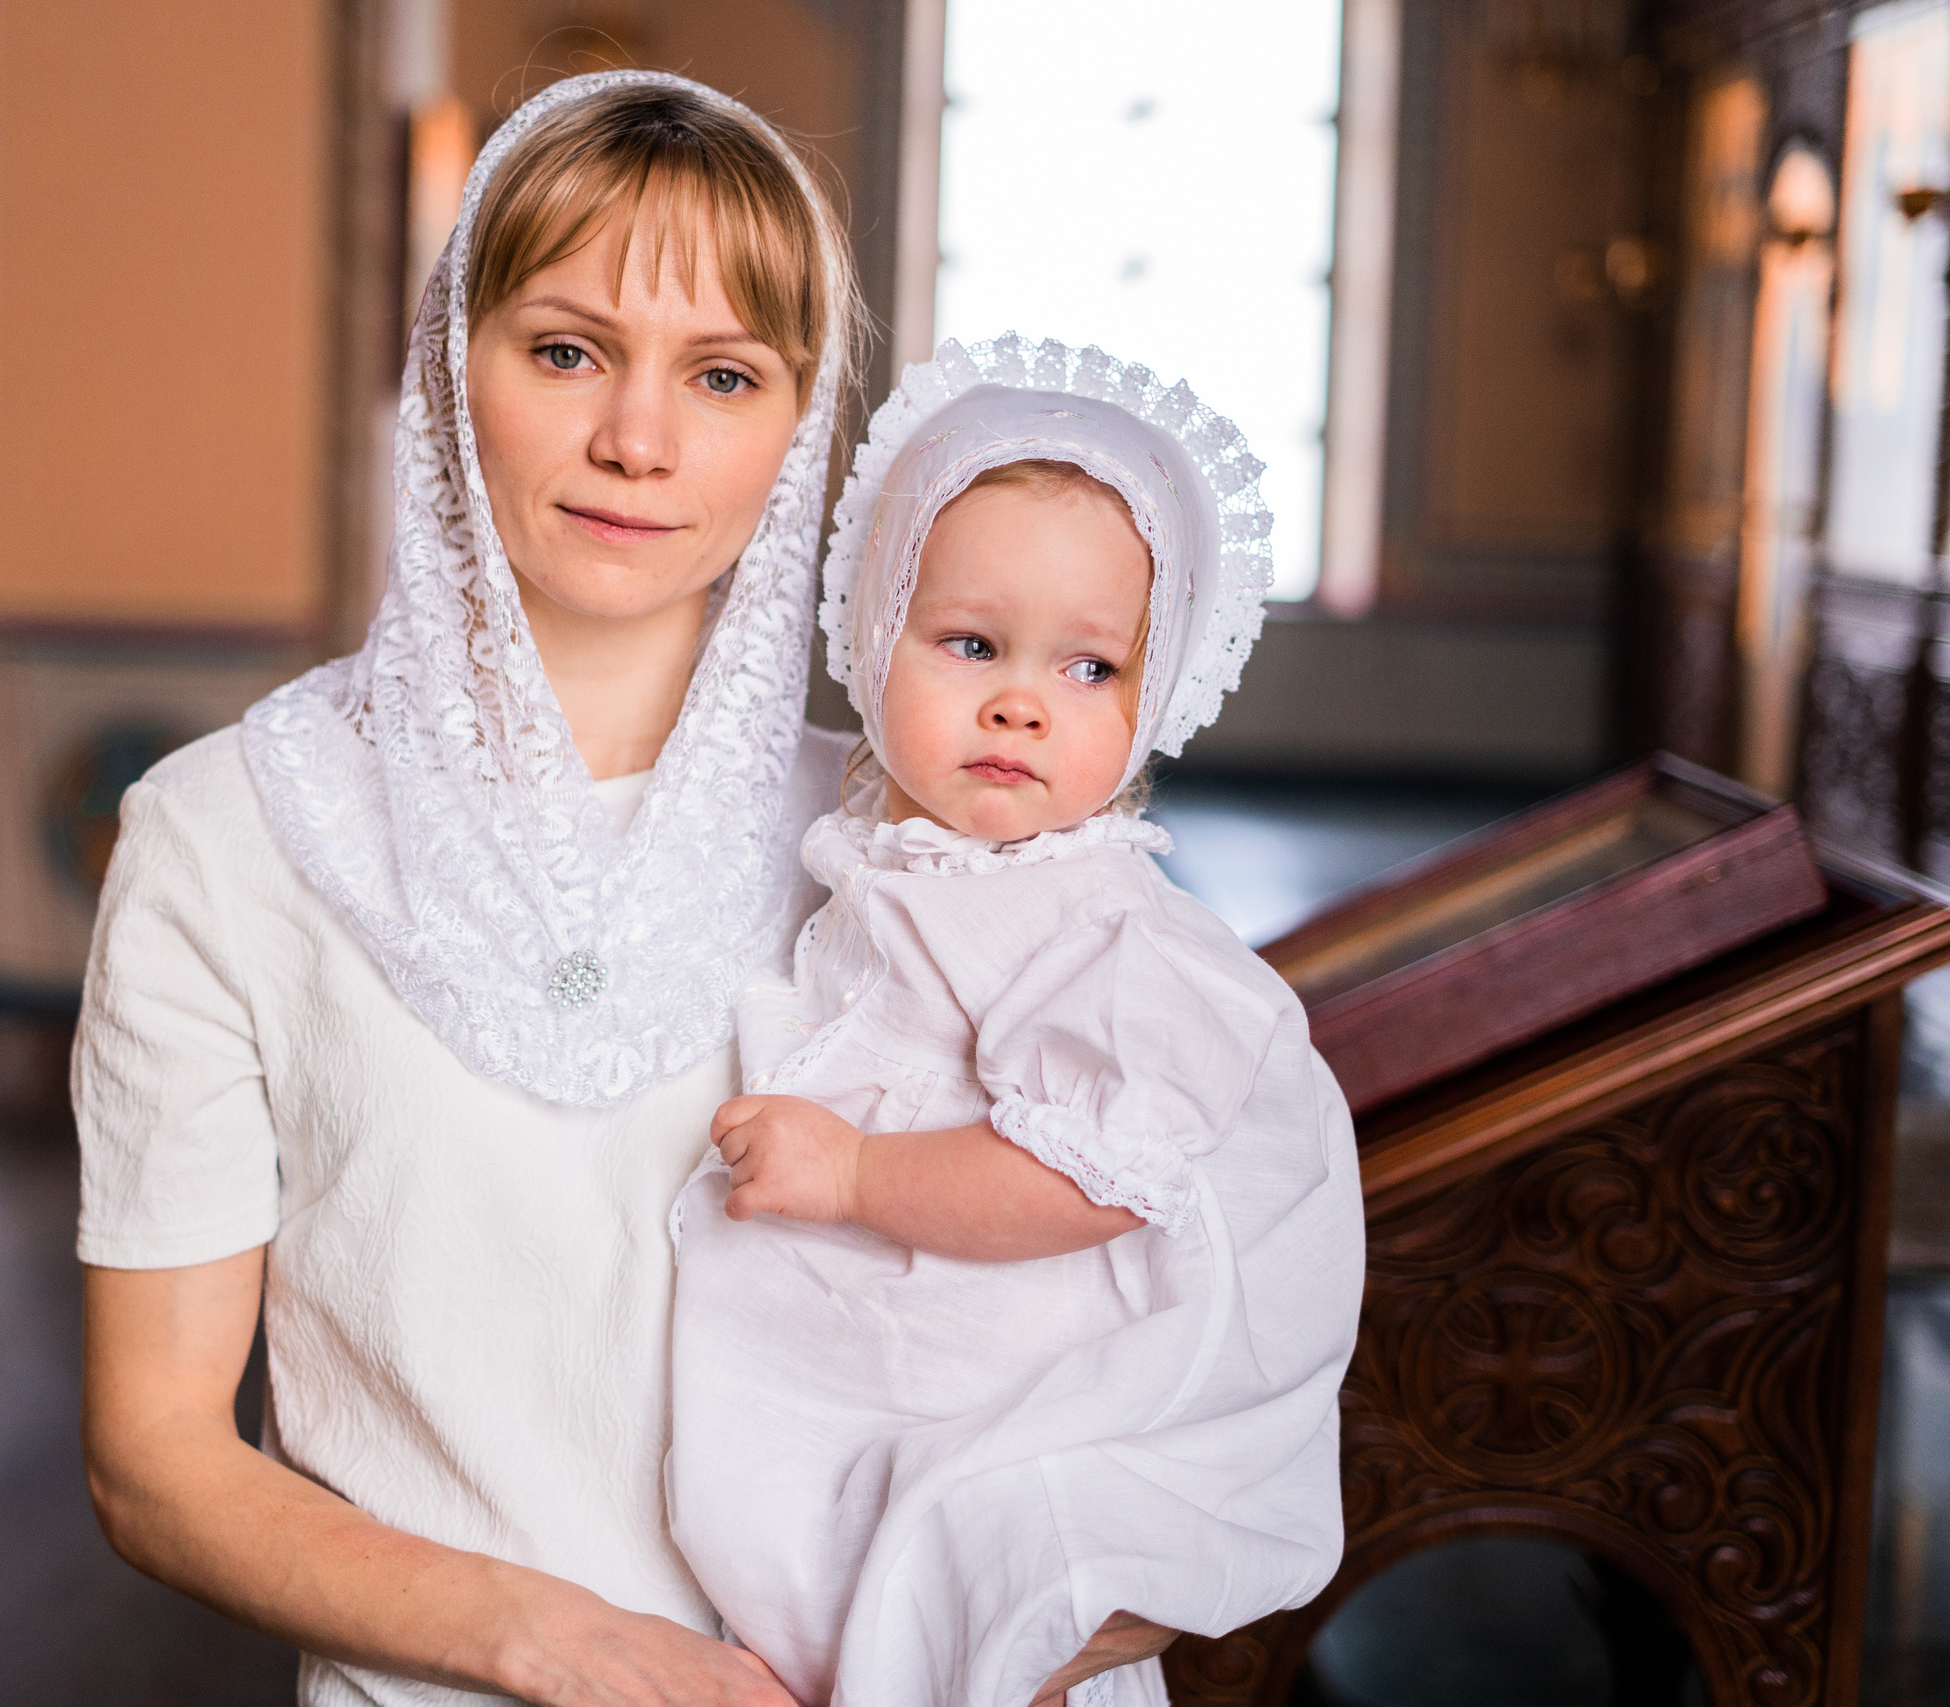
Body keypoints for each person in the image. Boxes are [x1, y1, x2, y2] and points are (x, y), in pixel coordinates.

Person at [74, 76, 1175, 1704]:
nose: (636, 443)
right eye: (567, 349)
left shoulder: (958, 847)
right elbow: (156, 1458)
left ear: (800, 430)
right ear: (458, 364)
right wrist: (572, 1651)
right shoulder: (223, 837)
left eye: (721, 374)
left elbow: (1171, 1366)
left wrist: (984, 1635)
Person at [664, 337, 1366, 1707]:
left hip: (1013, 1362)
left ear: (1154, 697)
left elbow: (1083, 1180)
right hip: (890, 1344)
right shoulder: (896, 847)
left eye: (1089, 670)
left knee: (960, 1587)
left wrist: (860, 1171)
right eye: (971, 643)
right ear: (874, 635)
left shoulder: (1095, 924)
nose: (1019, 700)